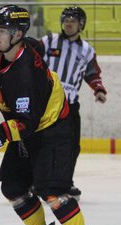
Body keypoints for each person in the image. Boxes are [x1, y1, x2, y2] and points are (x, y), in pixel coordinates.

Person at [0, 5, 98, 225]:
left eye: (2, 30)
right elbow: (32, 49)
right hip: (27, 127)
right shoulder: (5, 49)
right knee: (13, 187)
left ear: (17, 33)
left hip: (52, 128)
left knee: (52, 190)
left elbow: (26, 123)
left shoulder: (27, 74)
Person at [39, 6, 107, 199]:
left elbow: (92, 73)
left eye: (73, 20)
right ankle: (37, 181)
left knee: (71, 146)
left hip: (69, 105)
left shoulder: (86, 50)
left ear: (81, 25)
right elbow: (29, 59)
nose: (68, 23)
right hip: (45, 103)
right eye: (66, 20)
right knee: (41, 143)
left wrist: (99, 89)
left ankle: (64, 182)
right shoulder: (48, 41)